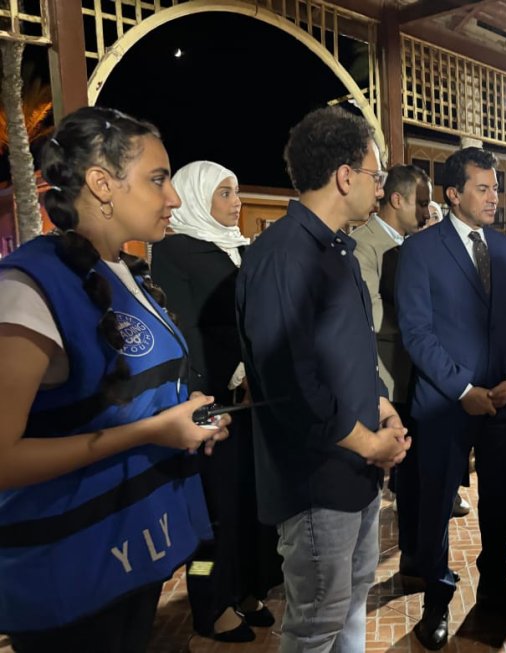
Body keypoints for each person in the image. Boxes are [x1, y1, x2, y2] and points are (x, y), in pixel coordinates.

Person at [0, 106, 229, 653]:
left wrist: (186, 413)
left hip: (131, 546)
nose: (173, 198)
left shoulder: (128, 273)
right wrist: (152, 431)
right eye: (157, 179)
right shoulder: (29, 286)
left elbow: (129, 394)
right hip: (68, 566)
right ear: (102, 184)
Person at [235, 106, 410, 653]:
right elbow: (292, 385)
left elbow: (350, 351)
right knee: (316, 622)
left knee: (349, 603)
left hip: (354, 465)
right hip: (315, 478)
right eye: (376, 175)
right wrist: (371, 445)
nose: (380, 188)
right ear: (345, 176)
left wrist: (381, 404)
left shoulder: (338, 248)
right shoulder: (284, 255)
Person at [396, 147, 506, 650]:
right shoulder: (420, 250)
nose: (494, 197)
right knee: (435, 505)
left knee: (499, 503)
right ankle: (436, 602)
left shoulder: (505, 249)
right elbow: (416, 333)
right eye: (483, 188)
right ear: (453, 194)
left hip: (501, 401)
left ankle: (496, 592)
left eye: (496, 188)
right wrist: (462, 389)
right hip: (444, 404)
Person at [151, 161, 281, 642]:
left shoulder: (239, 248)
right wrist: (236, 370)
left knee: (250, 499)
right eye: (225, 192)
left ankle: (247, 588)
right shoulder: (176, 250)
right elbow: (186, 327)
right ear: (197, 195)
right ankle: (210, 602)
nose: (236, 201)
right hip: (213, 399)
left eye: (237, 191)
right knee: (216, 507)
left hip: (253, 400)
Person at [351, 163, 430, 582]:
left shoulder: (416, 243)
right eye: (421, 201)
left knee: (415, 477)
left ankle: (415, 558)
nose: (428, 210)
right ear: (397, 200)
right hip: (386, 379)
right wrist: (423, 324)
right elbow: (369, 318)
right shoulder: (365, 245)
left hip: (417, 375)